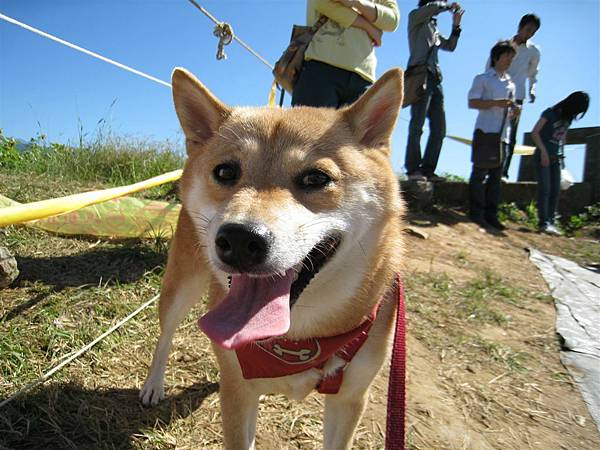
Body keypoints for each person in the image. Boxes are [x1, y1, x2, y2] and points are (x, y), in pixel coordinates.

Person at [292, 0, 400, 108]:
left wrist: (356, 3)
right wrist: (368, 26)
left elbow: (393, 20)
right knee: (310, 124)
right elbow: (320, 2)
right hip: (321, 66)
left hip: (363, 77)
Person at [404, 1, 464, 182]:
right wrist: (446, 5)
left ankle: (428, 170)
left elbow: (450, 46)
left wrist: (456, 25)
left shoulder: (433, 27)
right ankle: (413, 169)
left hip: (435, 79)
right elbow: (432, 8)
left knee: (439, 128)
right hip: (419, 75)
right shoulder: (415, 17)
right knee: (417, 124)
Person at [467, 40, 518, 231]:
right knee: (480, 172)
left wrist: (514, 111)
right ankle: (476, 212)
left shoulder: (511, 84)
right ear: (496, 57)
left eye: (511, 58)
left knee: (496, 177)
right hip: (485, 130)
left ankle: (491, 214)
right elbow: (472, 102)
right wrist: (496, 103)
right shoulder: (483, 79)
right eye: (507, 57)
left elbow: (508, 108)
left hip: (503, 134)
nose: (509, 61)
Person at [531, 91, 590, 235]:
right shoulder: (549, 113)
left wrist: (562, 156)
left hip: (556, 158)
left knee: (555, 190)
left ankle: (551, 221)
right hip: (543, 155)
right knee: (545, 189)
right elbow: (535, 132)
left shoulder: (568, 119)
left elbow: (562, 138)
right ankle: (543, 222)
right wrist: (543, 151)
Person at [499, 14, 541, 181]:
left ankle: (503, 172)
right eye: (528, 29)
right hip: (498, 93)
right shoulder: (504, 46)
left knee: (511, 134)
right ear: (520, 26)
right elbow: (490, 66)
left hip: (517, 97)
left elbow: (534, 73)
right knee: (495, 131)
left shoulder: (533, 51)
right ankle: (489, 169)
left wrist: (532, 89)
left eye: (534, 32)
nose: (530, 33)